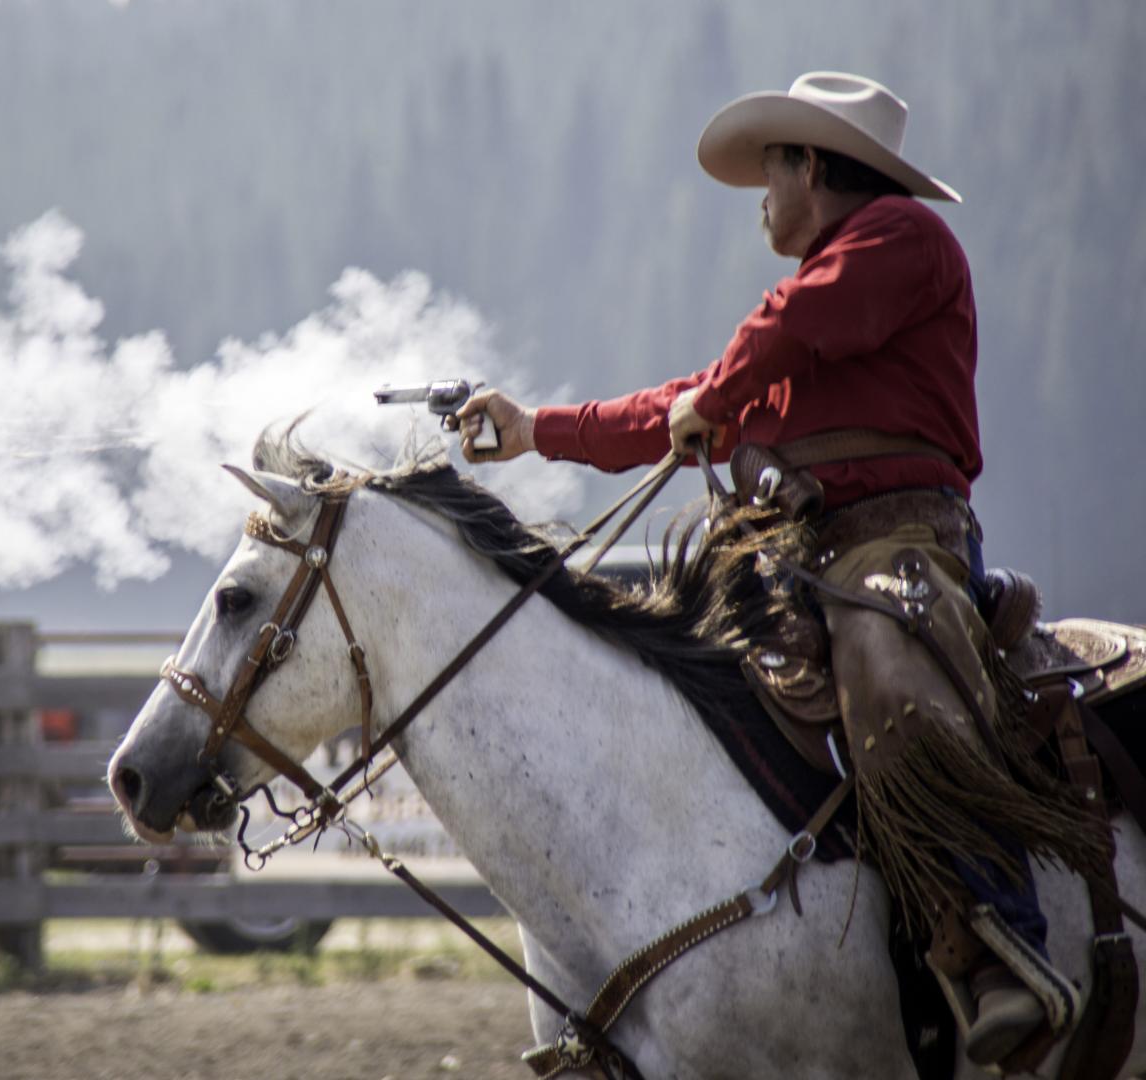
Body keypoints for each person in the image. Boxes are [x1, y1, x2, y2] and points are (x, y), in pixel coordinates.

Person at [454, 72, 1110, 1068]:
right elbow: (684, 405)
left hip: (903, 545)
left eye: (770, 170)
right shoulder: (806, 321)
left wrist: (715, 397)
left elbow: (760, 350)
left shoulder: (898, 243)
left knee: (887, 666)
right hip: (804, 556)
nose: (760, 196)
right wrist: (535, 429)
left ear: (810, 166)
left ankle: (998, 942)